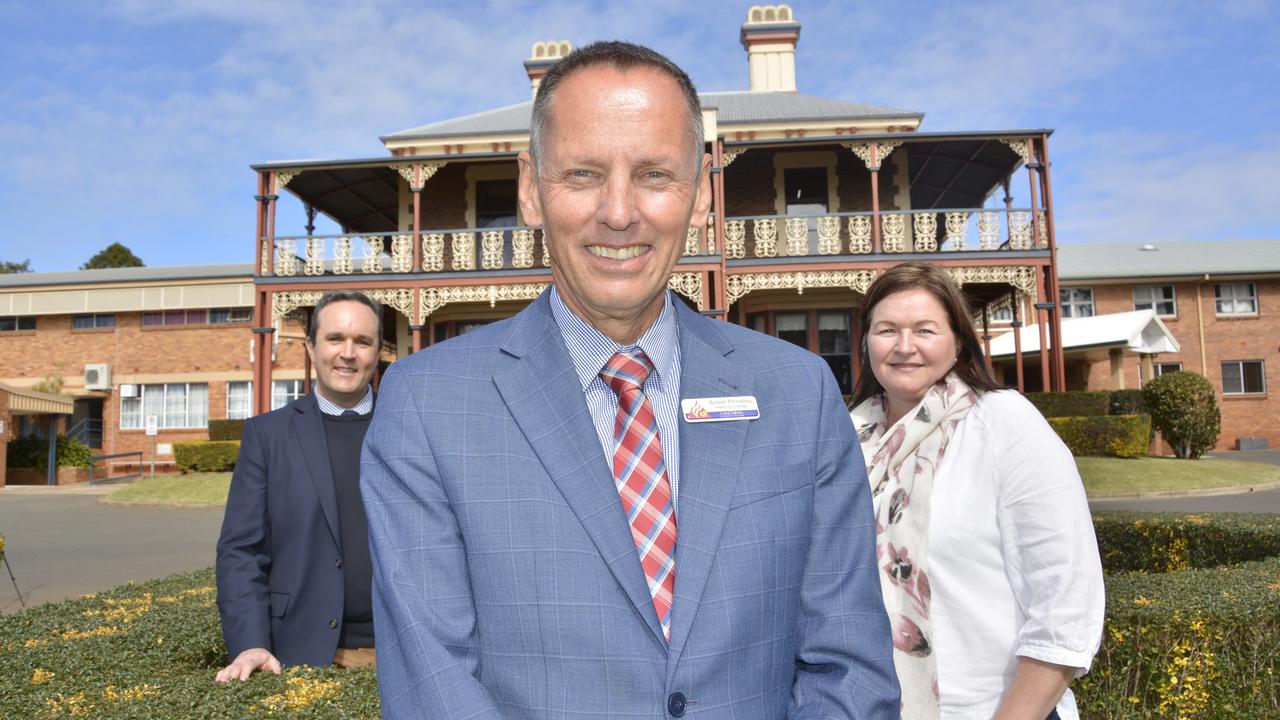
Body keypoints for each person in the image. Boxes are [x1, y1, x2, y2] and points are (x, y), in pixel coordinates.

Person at [361, 41, 899, 719]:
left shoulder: (798, 393)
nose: (619, 212)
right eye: (583, 173)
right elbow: (433, 687)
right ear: (531, 189)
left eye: (654, 174)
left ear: (700, 194)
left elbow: (847, 666)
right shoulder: (427, 406)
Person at [848, 262, 1105, 720]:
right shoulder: (847, 438)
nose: (905, 346)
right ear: (867, 342)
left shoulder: (1003, 424)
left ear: (959, 341)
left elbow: (1066, 604)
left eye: (925, 330)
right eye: (887, 330)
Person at [214, 290, 382, 681]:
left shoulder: (408, 427)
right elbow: (241, 550)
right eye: (335, 338)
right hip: (298, 656)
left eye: (362, 341)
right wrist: (250, 642)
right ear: (311, 347)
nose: (348, 353)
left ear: (377, 351)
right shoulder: (268, 435)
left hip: (399, 652)